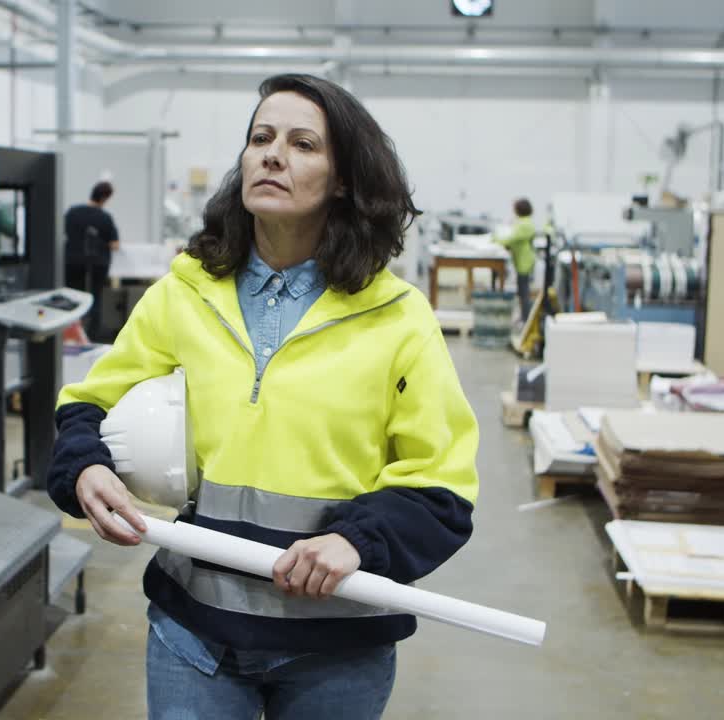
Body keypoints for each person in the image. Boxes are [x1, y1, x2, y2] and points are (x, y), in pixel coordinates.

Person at [47, 74, 479, 720]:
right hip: (195, 635)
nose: (273, 155)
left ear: (343, 180)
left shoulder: (398, 318)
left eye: (302, 144)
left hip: (336, 649)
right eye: (260, 138)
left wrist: (357, 542)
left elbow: (442, 487)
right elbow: (88, 403)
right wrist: (84, 466)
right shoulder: (187, 293)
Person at [64, 181, 120, 339]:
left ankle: (71, 334)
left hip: (72, 261)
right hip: (97, 263)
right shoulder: (104, 218)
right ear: (104, 198)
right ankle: (92, 336)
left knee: (72, 297)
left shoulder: (72, 213)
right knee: (95, 298)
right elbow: (115, 245)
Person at [493, 198, 537, 323]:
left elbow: (512, 238)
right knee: (522, 291)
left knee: (524, 292)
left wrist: (495, 240)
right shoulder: (524, 222)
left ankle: (525, 319)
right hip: (522, 261)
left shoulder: (525, 224)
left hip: (525, 262)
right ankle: (524, 317)